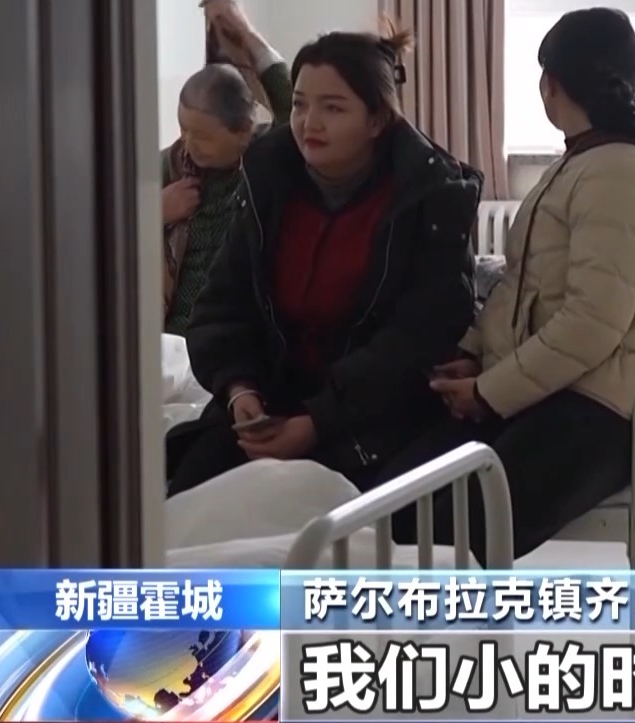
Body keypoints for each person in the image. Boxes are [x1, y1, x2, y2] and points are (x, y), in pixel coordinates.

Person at [382, 7, 635, 561]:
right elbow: (522, 287)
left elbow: (590, 326)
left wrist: (489, 392)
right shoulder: (584, 161)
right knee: (393, 499)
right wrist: (476, 357)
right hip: (550, 389)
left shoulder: (619, 173)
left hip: (600, 410)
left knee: (445, 522)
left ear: (551, 84)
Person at [167, 26, 484, 496]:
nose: (308, 123)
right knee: (186, 502)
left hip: (371, 418)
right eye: (298, 105)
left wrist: (319, 421)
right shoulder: (269, 178)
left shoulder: (430, 196)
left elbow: (417, 337)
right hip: (270, 404)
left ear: (376, 120)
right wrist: (239, 388)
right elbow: (223, 304)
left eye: (332, 108)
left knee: (325, 515)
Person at [163, 0, 294, 335]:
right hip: (168, 337)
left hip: (234, 336)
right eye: (183, 129)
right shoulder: (172, 165)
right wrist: (153, 212)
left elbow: (291, 107)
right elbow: (101, 223)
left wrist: (245, 32)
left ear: (244, 131)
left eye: (203, 136)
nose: (188, 144)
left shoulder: (266, 162)